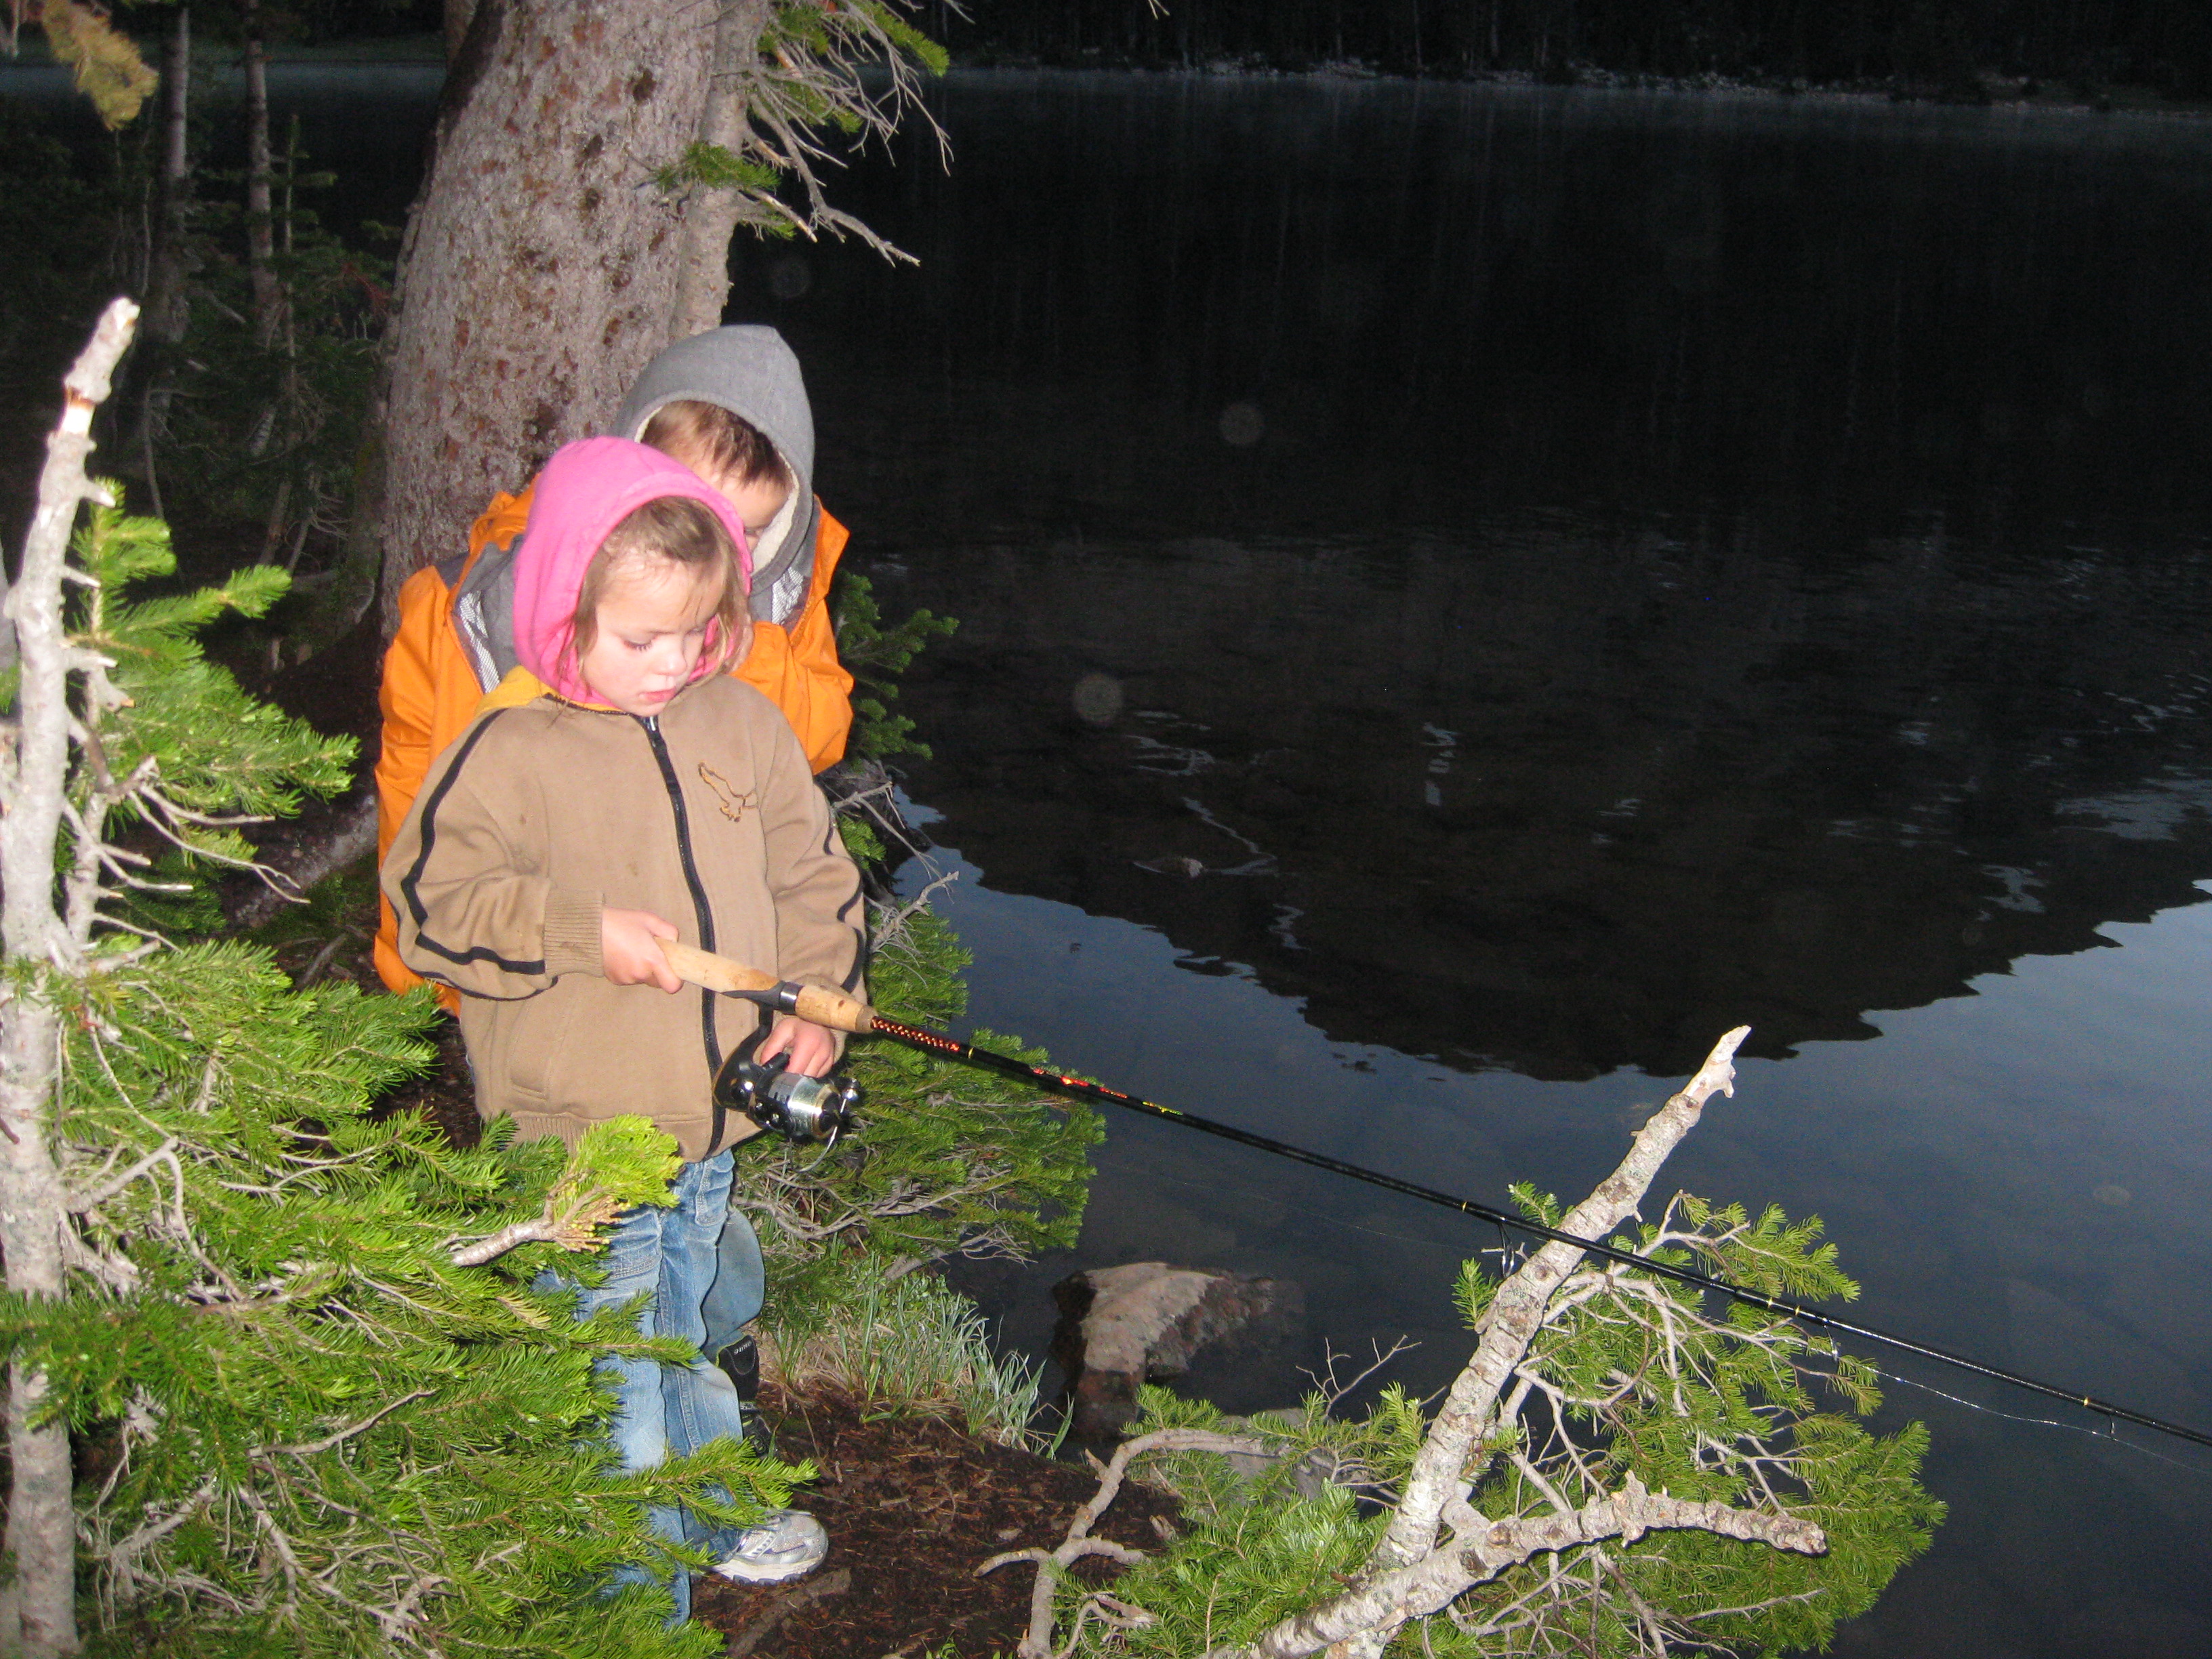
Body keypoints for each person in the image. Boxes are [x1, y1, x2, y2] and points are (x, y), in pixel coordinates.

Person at [380, 438, 864, 1613]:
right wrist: (578, 930)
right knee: (609, 1385)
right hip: (579, 1137)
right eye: (635, 637)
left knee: (684, 1329)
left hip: (708, 1128)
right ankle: (626, 1607)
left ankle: (701, 1510)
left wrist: (813, 1004)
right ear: (564, 610)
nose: (669, 664)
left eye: (694, 633)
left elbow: (813, 876)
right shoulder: (512, 745)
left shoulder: (739, 723)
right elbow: (426, 905)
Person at [373, 325, 855, 1007]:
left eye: (745, 532)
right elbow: (416, 801)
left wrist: (741, 647)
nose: (719, 557)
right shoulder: (469, 611)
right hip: (546, 965)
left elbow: (815, 744)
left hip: (699, 964)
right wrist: (424, 985)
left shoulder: (782, 598)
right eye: (692, 513)